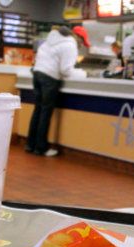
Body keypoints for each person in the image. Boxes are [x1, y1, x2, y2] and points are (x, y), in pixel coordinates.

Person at [26, 26, 88, 157]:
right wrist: (83, 74)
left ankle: (30, 145)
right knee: (45, 113)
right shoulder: (70, 45)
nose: (81, 45)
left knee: (37, 110)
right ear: (78, 38)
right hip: (49, 78)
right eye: (82, 42)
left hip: (37, 74)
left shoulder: (50, 41)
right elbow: (66, 70)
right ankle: (41, 148)